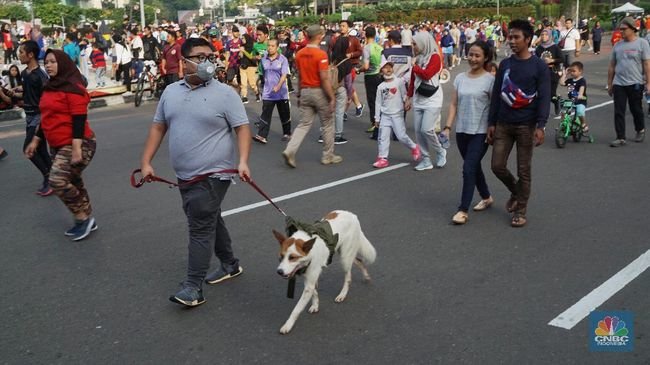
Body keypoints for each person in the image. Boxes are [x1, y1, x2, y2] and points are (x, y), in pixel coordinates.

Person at [140, 38, 251, 307]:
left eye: (210, 56)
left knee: (200, 225)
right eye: (200, 57)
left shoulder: (225, 93)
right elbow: (158, 126)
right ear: (184, 61)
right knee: (210, 217)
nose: (207, 62)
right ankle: (229, 264)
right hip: (185, 176)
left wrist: (244, 160)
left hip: (214, 175)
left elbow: (242, 128)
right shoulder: (170, 92)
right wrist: (146, 162)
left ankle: (192, 287)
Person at [24, 49, 97, 241]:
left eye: (53, 62)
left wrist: (76, 149)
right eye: (46, 62)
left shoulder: (74, 88)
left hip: (79, 142)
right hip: (57, 145)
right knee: (73, 180)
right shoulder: (50, 87)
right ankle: (88, 217)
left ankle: (82, 217)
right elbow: (46, 117)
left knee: (57, 180)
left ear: (63, 63)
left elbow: (79, 120)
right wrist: (35, 140)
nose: (48, 65)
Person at [487, 19, 550, 228]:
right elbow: (497, 94)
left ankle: (521, 210)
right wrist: (492, 122)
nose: (511, 41)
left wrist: (541, 125)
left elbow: (544, 96)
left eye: (516, 37)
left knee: (524, 170)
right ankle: (517, 192)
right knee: (497, 166)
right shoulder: (505, 64)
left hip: (526, 125)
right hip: (503, 124)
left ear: (528, 39)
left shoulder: (539, 66)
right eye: (509, 37)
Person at [442, 40, 495, 225]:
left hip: (481, 133)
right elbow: (454, 104)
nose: (472, 58)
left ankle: (462, 210)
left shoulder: (490, 80)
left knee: (468, 168)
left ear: (485, 57)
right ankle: (487, 196)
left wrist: (492, 129)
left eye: (477, 55)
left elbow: (494, 109)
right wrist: (447, 127)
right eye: (471, 54)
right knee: (474, 166)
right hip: (462, 131)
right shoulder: (460, 78)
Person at [281, 25, 340, 168]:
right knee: (327, 123)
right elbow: (324, 78)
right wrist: (331, 97)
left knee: (304, 124)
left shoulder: (300, 53)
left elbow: (300, 76)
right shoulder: (321, 54)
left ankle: (290, 150)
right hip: (318, 91)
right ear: (319, 36)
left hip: (305, 90)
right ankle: (328, 155)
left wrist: (300, 94)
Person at [15, 41, 53, 196]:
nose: (19, 55)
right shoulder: (24, 74)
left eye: (22, 52)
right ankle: (54, 177)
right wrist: (12, 94)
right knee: (41, 149)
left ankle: (48, 177)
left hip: (39, 116)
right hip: (29, 116)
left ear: (30, 55)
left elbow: (46, 100)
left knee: (28, 148)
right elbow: (26, 95)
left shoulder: (41, 76)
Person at [406, 31, 446, 171]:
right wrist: (408, 97)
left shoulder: (435, 57)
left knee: (427, 129)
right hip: (419, 98)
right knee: (418, 131)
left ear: (423, 43)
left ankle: (440, 151)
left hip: (433, 99)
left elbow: (427, 74)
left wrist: (415, 66)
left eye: (415, 43)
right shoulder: (418, 57)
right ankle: (426, 159)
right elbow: (413, 79)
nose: (413, 46)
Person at [607, 17, 650, 147]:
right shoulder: (617, 45)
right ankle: (620, 137)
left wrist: (648, 82)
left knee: (635, 108)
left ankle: (640, 129)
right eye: (620, 29)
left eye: (624, 29)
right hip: (619, 82)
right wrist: (610, 84)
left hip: (636, 82)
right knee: (619, 110)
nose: (621, 32)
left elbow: (647, 64)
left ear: (632, 29)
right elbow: (612, 66)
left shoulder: (642, 43)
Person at [372, 62, 420, 169]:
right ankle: (382, 158)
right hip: (385, 115)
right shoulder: (381, 87)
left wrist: (406, 102)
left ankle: (414, 147)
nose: (388, 69)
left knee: (401, 136)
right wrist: (377, 118)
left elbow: (404, 94)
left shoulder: (399, 82)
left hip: (397, 114)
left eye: (390, 67)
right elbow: (378, 103)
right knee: (383, 137)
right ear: (381, 71)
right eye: (385, 68)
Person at [252, 38, 291, 144]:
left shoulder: (283, 59)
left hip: (281, 92)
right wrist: (261, 82)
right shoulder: (264, 59)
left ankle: (287, 133)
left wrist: (278, 86)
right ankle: (262, 135)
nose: (270, 48)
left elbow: (284, 75)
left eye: (272, 46)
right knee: (265, 113)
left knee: (284, 114)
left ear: (277, 47)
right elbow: (264, 72)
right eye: (268, 46)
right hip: (268, 92)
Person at [358, 26, 384, 135]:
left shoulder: (367, 48)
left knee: (372, 100)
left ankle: (374, 123)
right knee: (381, 99)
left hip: (370, 76)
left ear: (366, 35)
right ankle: (382, 121)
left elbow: (366, 66)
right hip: (380, 75)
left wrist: (358, 69)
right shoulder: (379, 47)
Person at [535, 29, 563, 115]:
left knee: (551, 93)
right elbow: (535, 60)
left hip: (553, 72)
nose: (544, 37)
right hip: (542, 73)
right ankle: (542, 111)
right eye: (542, 35)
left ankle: (556, 101)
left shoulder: (555, 47)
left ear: (550, 36)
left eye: (546, 35)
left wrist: (552, 60)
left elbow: (562, 59)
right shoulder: (539, 48)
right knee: (542, 92)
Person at [560, 61, 589, 133]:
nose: (572, 73)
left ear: (580, 71)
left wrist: (580, 95)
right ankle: (564, 124)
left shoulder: (582, 80)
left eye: (574, 71)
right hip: (571, 101)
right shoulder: (570, 80)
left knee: (580, 112)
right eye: (571, 71)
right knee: (563, 111)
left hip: (580, 101)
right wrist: (564, 74)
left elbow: (582, 88)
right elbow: (562, 83)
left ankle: (583, 124)